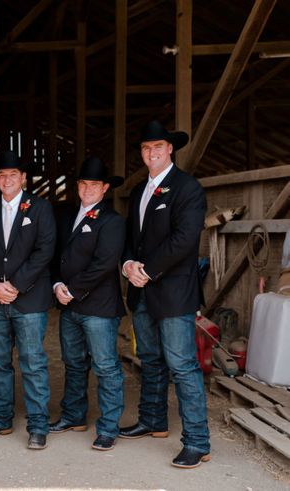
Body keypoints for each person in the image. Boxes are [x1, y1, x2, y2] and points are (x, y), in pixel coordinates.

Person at [120, 120, 210, 469]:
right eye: (145, 148)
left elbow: (184, 240)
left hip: (172, 292)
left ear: (170, 149)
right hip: (141, 292)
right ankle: (153, 420)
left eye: (157, 147)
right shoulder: (140, 190)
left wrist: (147, 269)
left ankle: (197, 442)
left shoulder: (187, 188)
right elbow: (132, 239)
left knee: (183, 366)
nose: (151, 153)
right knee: (151, 360)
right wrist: (128, 263)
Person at [0, 150, 56, 449]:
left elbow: (44, 251)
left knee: (33, 363)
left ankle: (37, 425)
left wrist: (16, 285)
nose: (6, 179)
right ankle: (1, 419)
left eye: (13, 174)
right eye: (1, 175)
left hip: (29, 300)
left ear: (23, 178)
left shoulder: (41, 208)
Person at [49, 156, 126, 452]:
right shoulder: (67, 216)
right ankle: (73, 416)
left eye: (94, 184)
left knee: (106, 367)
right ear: (78, 186)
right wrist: (57, 285)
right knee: (74, 363)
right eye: (84, 183)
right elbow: (57, 256)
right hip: (69, 304)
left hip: (99, 308)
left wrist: (72, 289)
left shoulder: (112, 221)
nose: (88, 189)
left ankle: (108, 427)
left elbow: (104, 264)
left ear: (104, 188)